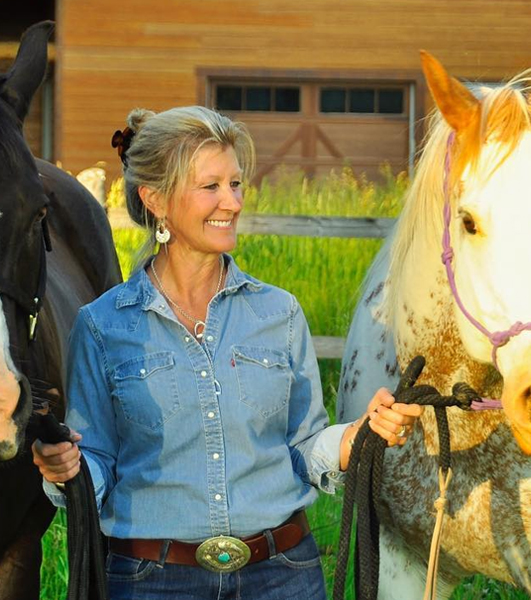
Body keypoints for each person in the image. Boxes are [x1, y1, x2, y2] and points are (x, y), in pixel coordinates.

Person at [32, 106, 422, 599]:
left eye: (236, 184)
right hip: (153, 582)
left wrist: (358, 435)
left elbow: (303, 448)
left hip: (282, 575)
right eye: (211, 186)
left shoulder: (279, 313)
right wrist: (66, 468)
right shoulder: (102, 325)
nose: (232, 202)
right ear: (156, 200)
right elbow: (97, 462)